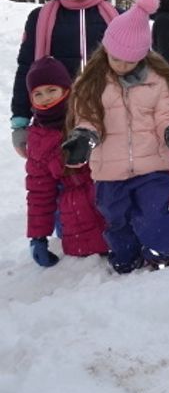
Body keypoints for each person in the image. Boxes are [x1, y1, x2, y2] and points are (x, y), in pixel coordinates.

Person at [64, 0, 169, 273]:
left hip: (152, 167)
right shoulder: (90, 83)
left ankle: (161, 253)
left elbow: (165, 115)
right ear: (106, 50)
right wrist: (83, 139)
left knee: (155, 215)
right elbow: (88, 119)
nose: (122, 65)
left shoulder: (157, 80)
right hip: (109, 172)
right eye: (115, 58)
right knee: (117, 219)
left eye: (130, 61)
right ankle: (125, 256)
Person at [11, 0, 119, 159]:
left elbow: (138, 68)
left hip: (108, 114)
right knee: (58, 181)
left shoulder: (117, 17)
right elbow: (27, 68)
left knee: (102, 184)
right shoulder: (40, 18)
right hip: (55, 116)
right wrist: (20, 120)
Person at [24, 57, 107, 266]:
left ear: (66, 90)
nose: (45, 98)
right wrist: (38, 236)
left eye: (51, 90)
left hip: (107, 201)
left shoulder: (86, 115)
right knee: (87, 271)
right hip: (74, 217)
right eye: (38, 94)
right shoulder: (37, 139)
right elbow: (39, 191)